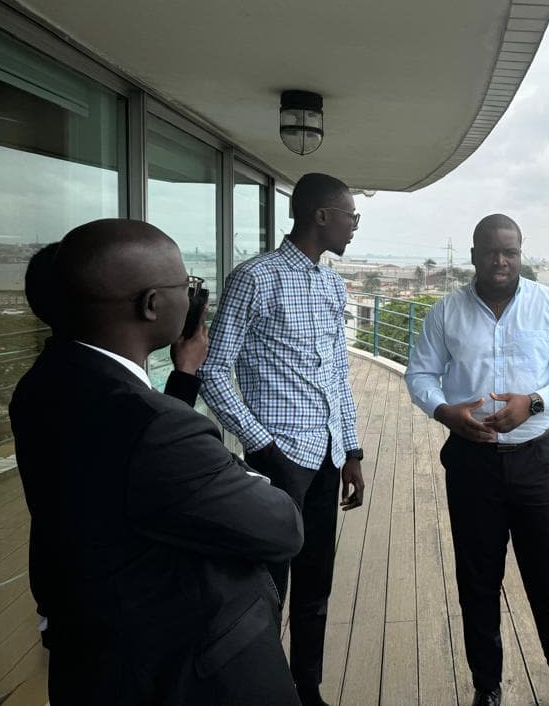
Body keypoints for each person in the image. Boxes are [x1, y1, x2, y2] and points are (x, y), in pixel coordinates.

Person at [10, 219, 304, 705]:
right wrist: (243, 471)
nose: (193, 297)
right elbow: (282, 527)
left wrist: (183, 374)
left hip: (98, 647)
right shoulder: (153, 427)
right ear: (150, 305)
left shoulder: (47, 381)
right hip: (180, 667)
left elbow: (136, 471)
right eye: (186, 286)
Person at [406, 214, 549, 706]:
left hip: (537, 460)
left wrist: (534, 401)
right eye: (491, 251)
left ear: (520, 253)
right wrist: (444, 411)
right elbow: (420, 374)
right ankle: (487, 687)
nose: (501, 261)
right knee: (477, 584)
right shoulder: (446, 312)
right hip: (472, 463)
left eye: (510, 251)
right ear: (474, 255)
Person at [200, 172, 364, 706]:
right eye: (351, 216)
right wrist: (262, 445)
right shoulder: (255, 278)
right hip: (278, 461)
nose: (354, 226)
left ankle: (307, 692)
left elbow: (336, 375)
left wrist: (352, 451)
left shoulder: (331, 284)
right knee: (266, 590)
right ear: (322, 215)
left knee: (316, 585)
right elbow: (213, 369)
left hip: (326, 457)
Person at [25, 240, 206, 405]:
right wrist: (185, 372)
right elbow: (163, 424)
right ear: (150, 303)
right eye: (183, 287)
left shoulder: (39, 382)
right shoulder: (133, 405)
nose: (189, 299)